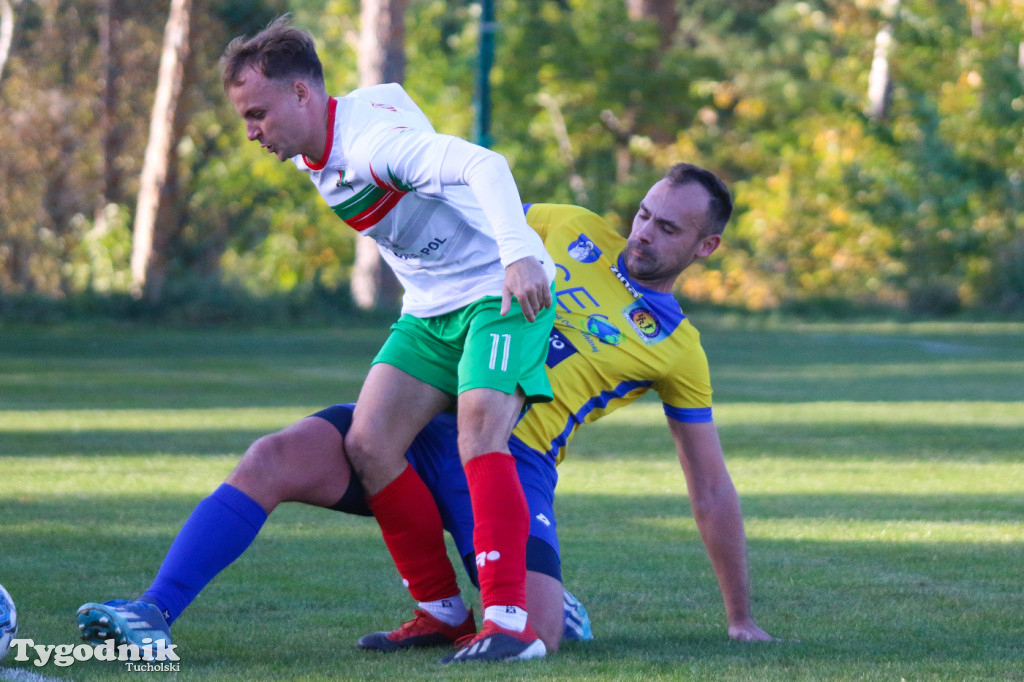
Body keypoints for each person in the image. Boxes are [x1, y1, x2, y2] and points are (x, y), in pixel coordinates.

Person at [77, 163, 774, 660]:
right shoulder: (563, 226)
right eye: (644, 213)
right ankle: (152, 611)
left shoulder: (678, 350)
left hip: (510, 463)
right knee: (274, 457)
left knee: (539, 637)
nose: (643, 232)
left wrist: (740, 619)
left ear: (705, 248)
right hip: (425, 421)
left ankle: (542, 596)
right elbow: (460, 235)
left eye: (668, 229)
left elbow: (709, 487)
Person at [219, 16, 556, 662]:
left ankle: (510, 625)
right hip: (432, 308)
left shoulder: (372, 146)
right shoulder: (314, 147)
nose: (252, 131)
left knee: (478, 429)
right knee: (369, 443)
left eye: (257, 113)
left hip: (503, 288)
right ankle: (439, 610)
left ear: (302, 94)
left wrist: (518, 255)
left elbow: (485, 165)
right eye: (244, 118)